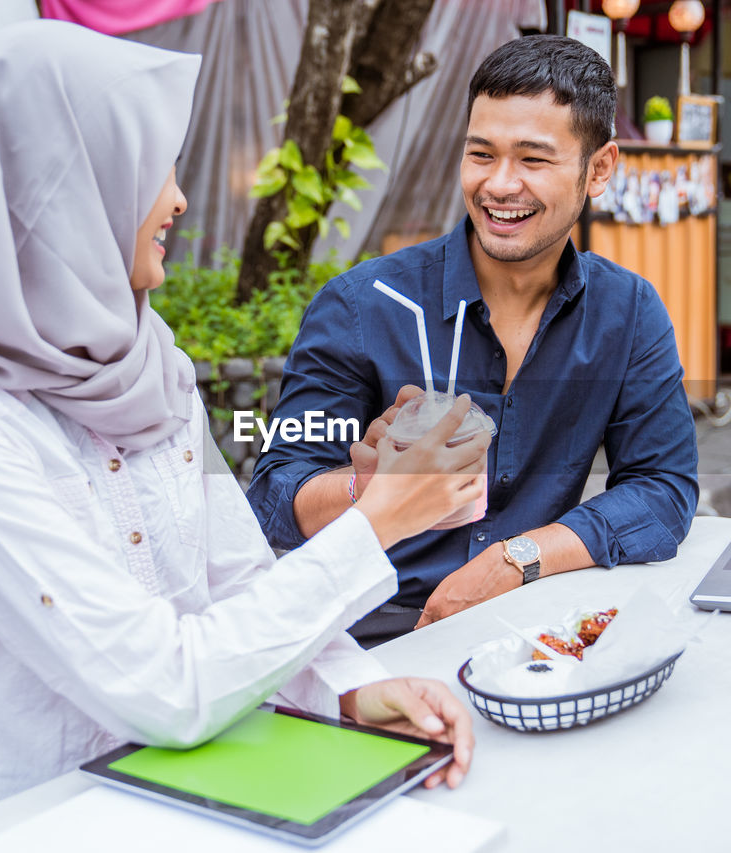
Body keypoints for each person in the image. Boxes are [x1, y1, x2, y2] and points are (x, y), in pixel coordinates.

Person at [0, 20, 485, 829]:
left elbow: (238, 582)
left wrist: (351, 687)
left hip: (222, 794)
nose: (180, 197)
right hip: (44, 819)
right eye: (151, 166)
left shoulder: (147, 360)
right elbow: (164, 685)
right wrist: (378, 520)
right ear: (55, 186)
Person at [248, 35, 699, 646]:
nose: (499, 185)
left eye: (533, 160)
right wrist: (370, 490)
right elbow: (275, 492)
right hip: (375, 636)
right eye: (481, 154)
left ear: (599, 169)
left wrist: (516, 559)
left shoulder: (628, 311)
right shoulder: (362, 306)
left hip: (532, 627)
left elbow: (662, 489)